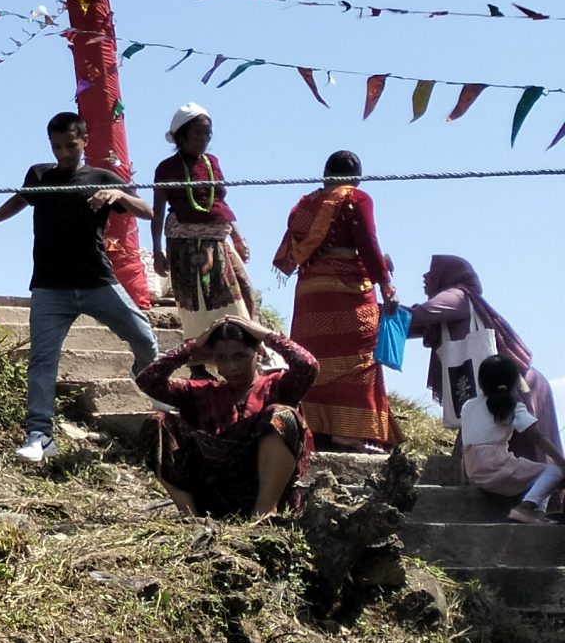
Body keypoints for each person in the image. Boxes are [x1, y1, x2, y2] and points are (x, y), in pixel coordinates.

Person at [0, 111, 160, 463]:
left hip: (97, 281)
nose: (64, 153)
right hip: (50, 287)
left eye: (70, 145)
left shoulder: (101, 177)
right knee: (42, 360)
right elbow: (19, 200)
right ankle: (40, 435)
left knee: (144, 337)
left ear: (84, 141)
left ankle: (146, 376)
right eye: (57, 146)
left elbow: (145, 210)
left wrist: (117, 194)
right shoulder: (41, 175)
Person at [270, 151, 400, 452]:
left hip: (309, 296)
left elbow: (294, 250)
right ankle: (350, 433)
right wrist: (387, 286)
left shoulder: (303, 205)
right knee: (359, 357)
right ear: (356, 177)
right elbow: (367, 242)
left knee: (314, 358)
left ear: (325, 174)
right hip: (347, 292)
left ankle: (317, 428)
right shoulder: (357, 199)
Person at [137, 318, 319, 519]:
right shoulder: (202, 392)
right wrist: (193, 346)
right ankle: (189, 515)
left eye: (240, 356)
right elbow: (148, 380)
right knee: (157, 421)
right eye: (222, 358)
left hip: (262, 488)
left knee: (282, 415)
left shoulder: (278, 385)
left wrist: (267, 335)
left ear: (258, 353)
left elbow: (308, 365)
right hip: (213, 492)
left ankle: (265, 513)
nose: (232, 367)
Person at [408, 254, 556, 449]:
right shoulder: (458, 302)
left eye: (433, 272)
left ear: (448, 275)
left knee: (519, 442)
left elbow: (416, 317)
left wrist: (366, 309)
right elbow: (410, 325)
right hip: (512, 380)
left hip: (514, 382)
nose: (425, 277)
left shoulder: (458, 296)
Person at [150, 106, 252, 343]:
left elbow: (220, 202)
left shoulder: (212, 163)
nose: (203, 139)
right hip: (184, 244)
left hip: (217, 241)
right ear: (181, 136)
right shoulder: (166, 168)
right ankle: (198, 360)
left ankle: (241, 351)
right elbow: (158, 211)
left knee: (238, 295)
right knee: (195, 301)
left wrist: (238, 237)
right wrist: (157, 251)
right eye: (197, 133)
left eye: (207, 134)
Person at [457, 356, 565, 524]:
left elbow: (467, 443)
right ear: (515, 382)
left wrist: (465, 478)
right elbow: (538, 438)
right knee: (554, 472)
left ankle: (534, 511)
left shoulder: (468, 406)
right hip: (495, 466)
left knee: (531, 472)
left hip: (474, 470)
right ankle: (527, 508)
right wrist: (562, 462)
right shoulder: (513, 407)